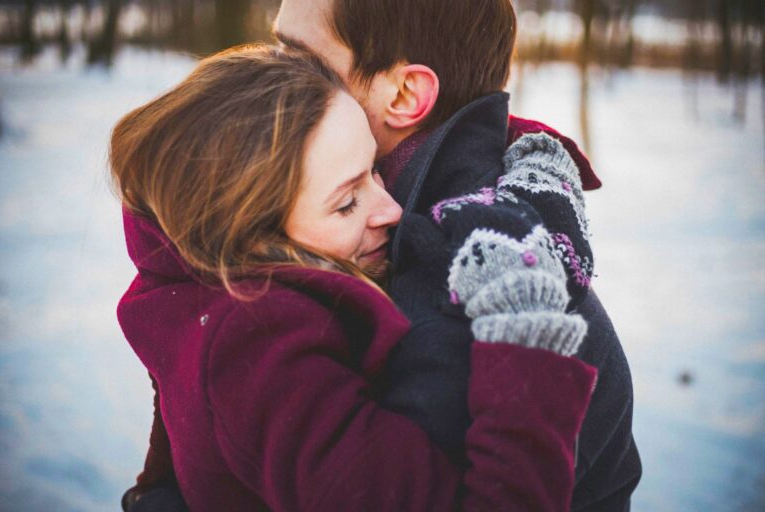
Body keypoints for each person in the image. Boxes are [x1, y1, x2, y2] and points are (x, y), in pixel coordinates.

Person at [112, 45, 597, 511]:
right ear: (251, 236)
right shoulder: (263, 355)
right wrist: (526, 334)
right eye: (346, 202)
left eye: (375, 170)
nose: (390, 210)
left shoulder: (193, 288)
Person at [271, 0, 642, 510]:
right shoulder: (354, 224)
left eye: (297, 58)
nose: (266, 74)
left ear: (405, 94)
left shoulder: (461, 295)